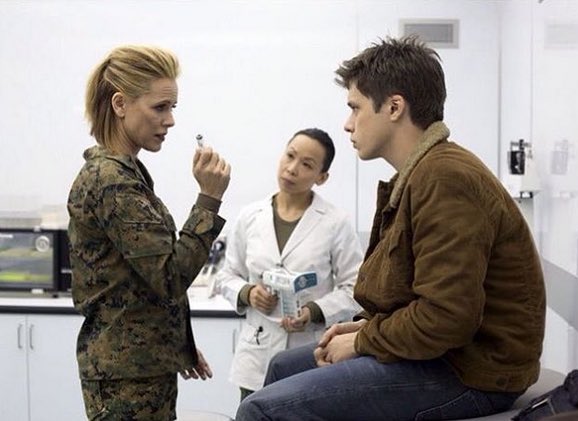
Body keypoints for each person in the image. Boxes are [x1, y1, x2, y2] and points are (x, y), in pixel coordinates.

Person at [235, 35, 546, 421]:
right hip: (446, 355)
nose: (348, 124)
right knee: (283, 366)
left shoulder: (445, 178)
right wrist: (362, 329)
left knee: (259, 410)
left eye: (355, 108)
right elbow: (412, 295)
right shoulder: (419, 175)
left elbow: (447, 317)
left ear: (394, 107)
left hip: (473, 371)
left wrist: (364, 340)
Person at [67, 45, 231, 420]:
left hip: (139, 368)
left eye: (172, 107)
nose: (170, 120)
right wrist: (209, 200)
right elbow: (170, 276)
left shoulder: (125, 174)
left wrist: (173, 344)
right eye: (160, 107)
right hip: (125, 378)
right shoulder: (112, 181)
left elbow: (141, 281)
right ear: (120, 104)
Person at [219, 127, 363, 401]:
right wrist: (248, 293)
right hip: (256, 355)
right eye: (290, 156)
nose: (292, 168)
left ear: (322, 177)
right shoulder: (250, 216)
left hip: (309, 352)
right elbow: (227, 275)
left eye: (307, 164)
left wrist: (314, 311)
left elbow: (354, 287)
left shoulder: (335, 222)